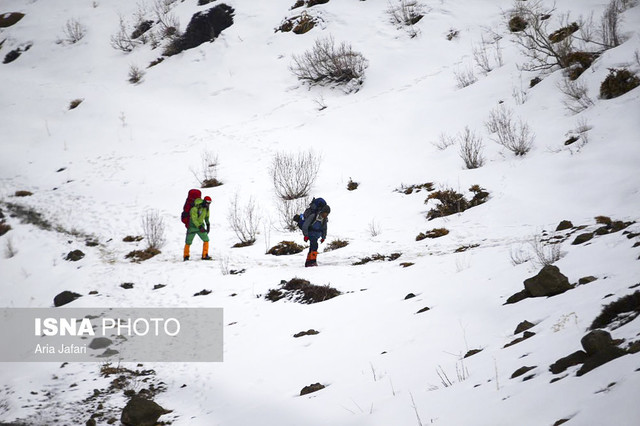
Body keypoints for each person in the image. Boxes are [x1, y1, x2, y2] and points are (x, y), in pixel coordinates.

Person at [184, 196, 212, 261]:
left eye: (210, 203)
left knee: (206, 239)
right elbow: (194, 219)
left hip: (201, 227)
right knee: (188, 242)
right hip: (192, 227)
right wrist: (199, 226)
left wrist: (208, 224)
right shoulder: (195, 208)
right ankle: (186, 256)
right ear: (204, 201)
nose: (208, 204)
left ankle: (205, 255)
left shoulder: (206, 209)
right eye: (207, 202)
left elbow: (207, 217)